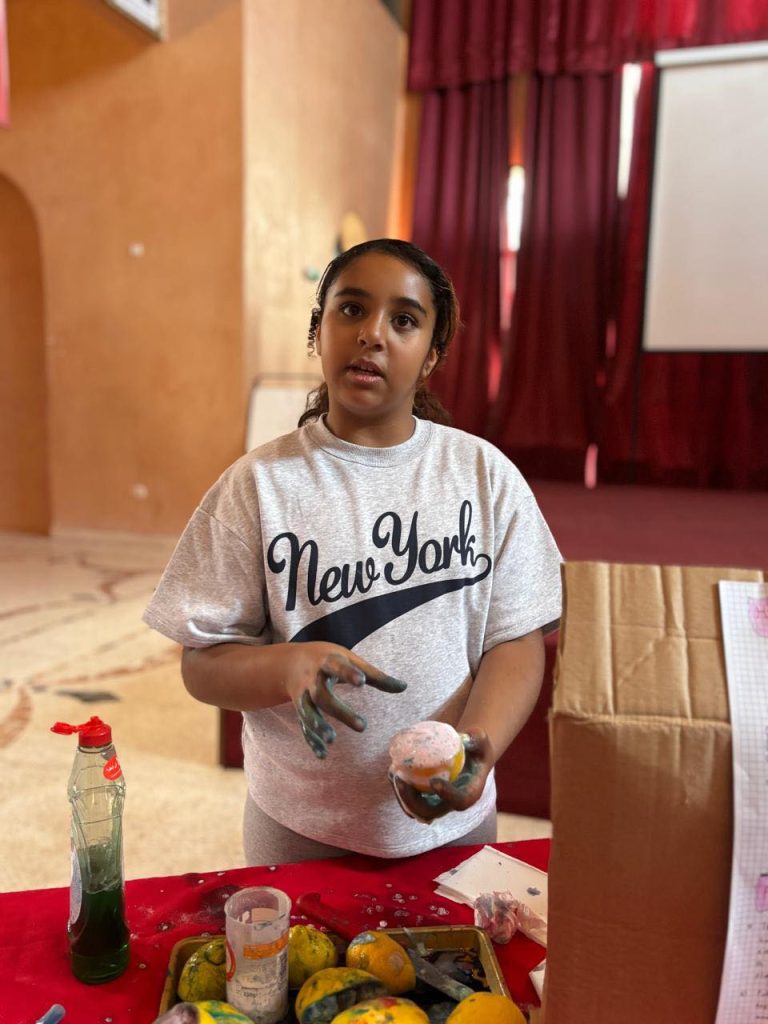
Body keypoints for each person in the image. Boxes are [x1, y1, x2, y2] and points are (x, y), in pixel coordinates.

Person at [143, 238, 562, 865]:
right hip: (300, 825)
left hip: (454, 824)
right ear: (318, 332)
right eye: (351, 309)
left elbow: (517, 640)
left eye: (404, 320)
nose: (372, 334)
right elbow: (201, 666)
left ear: (432, 354)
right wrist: (285, 667)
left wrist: (478, 745)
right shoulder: (258, 487)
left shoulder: (483, 475)